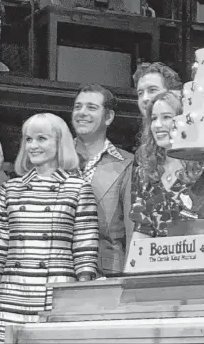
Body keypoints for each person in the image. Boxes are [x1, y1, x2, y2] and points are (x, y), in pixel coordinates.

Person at [0, 113, 99, 344]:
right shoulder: (10, 189)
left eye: (41, 138)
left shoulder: (78, 188)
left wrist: (82, 303)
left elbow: (85, 253)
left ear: (59, 142)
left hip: (56, 296)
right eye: (28, 139)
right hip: (11, 298)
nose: (33, 146)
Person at [129, 91, 204, 239]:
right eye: (154, 118)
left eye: (167, 117)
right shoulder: (145, 173)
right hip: (159, 259)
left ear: (185, 122)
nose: (158, 125)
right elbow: (142, 230)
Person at [72, 84, 134, 275]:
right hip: (56, 269)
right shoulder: (54, 158)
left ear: (108, 117)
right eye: (77, 107)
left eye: (91, 107)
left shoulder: (128, 163)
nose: (82, 113)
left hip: (106, 274)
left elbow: (132, 229)